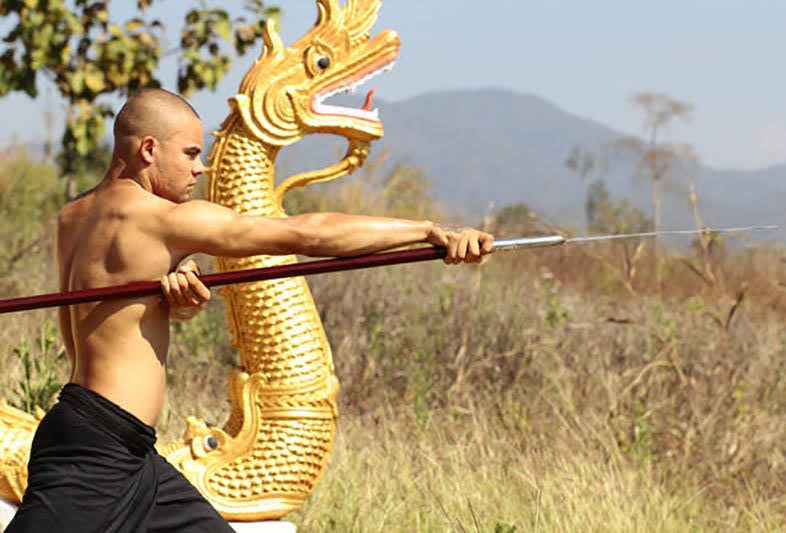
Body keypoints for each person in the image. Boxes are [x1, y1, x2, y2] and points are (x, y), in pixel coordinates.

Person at [5, 88, 494, 532]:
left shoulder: (73, 216)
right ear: (149, 150)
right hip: (94, 454)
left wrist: (174, 307)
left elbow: (108, 314)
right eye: (191, 154)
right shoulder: (167, 221)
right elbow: (308, 234)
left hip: (129, 453)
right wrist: (429, 231)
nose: (201, 169)